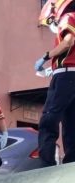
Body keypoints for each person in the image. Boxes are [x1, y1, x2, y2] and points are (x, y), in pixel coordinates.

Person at [36, 0, 75, 167]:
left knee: (48, 120)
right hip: (70, 74)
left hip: (65, 78)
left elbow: (68, 41)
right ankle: (71, 163)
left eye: (50, 22)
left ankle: (46, 164)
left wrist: (46, 56)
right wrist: (54, 68)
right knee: (71, 122)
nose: (52, 26)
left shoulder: (68, 17)